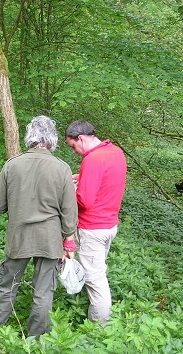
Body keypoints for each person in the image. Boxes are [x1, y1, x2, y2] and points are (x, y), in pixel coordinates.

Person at [0, 115, 78, 338]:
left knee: (7, 284)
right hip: (49, 239)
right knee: (43, 291)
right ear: (53, 139)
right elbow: (69, 211)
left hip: (19, 236)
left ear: (30, 137)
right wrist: (69, 239)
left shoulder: (12, 165)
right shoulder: (62, 169)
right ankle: (36, 340)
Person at [65, 120, 127, 326]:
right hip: (109, 225)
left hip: (92, 228)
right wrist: (81, 177)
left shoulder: (92, 160)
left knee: (95, 281)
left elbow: (85, 200)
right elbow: (106, 179)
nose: (74, 152)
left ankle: (99, 329)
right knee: (98, 273)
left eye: (73, 146)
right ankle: (102, 323)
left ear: (80, 138)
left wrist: (69, 191)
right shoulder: (115, 152)